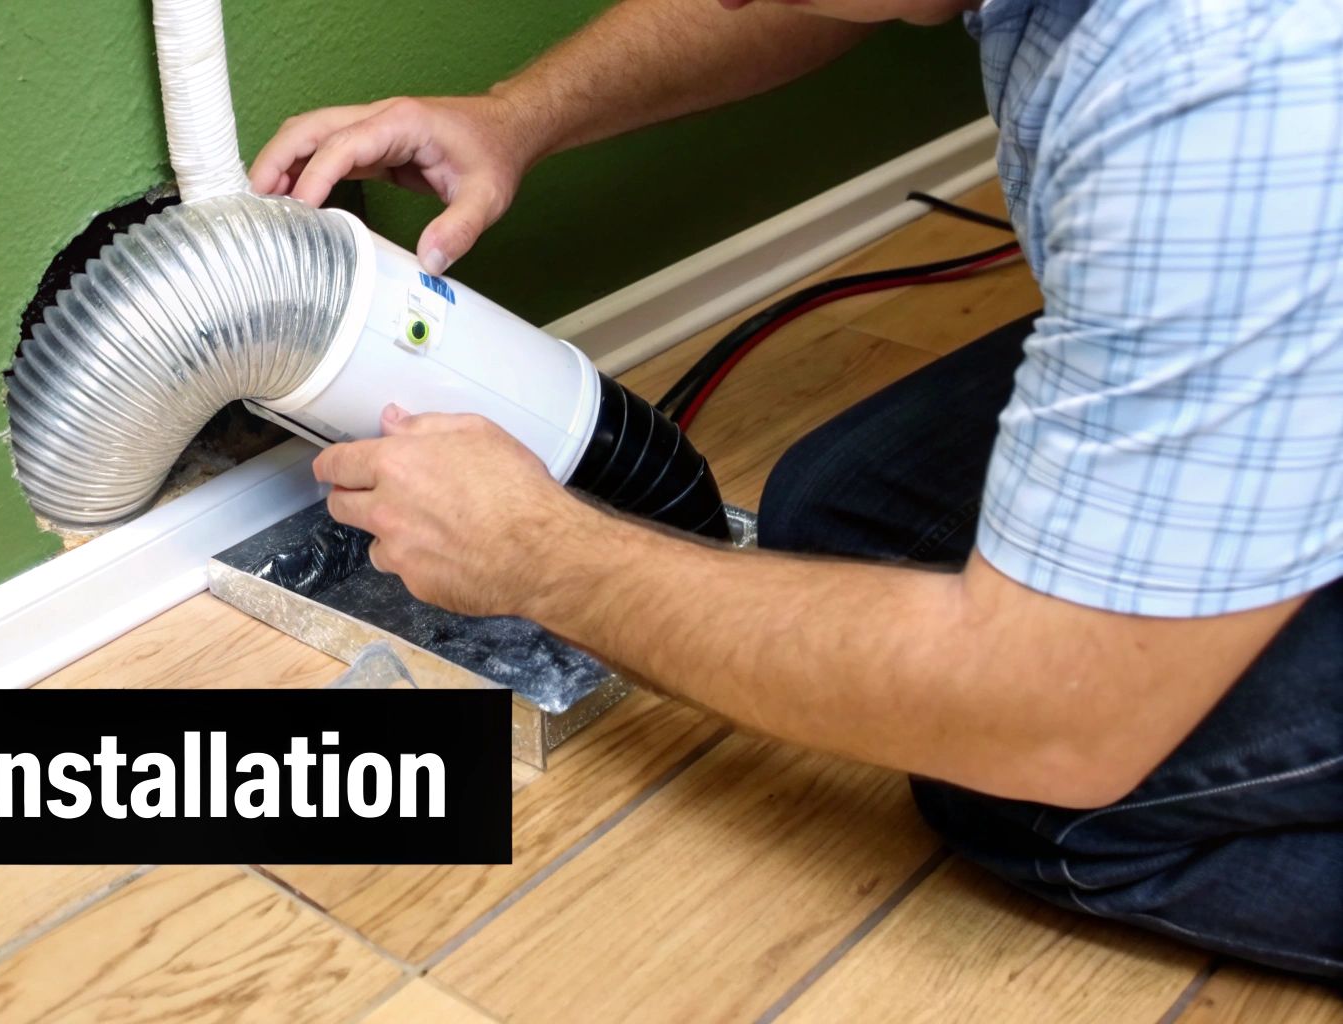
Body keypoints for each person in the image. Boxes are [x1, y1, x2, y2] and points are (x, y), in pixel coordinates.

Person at [251, 0, 1343, 979]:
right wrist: (513, 114)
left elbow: (1055, 721)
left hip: (1258, 196)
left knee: (1031, 789)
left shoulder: (1218, 79)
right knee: (839, 512)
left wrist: (544, 557)